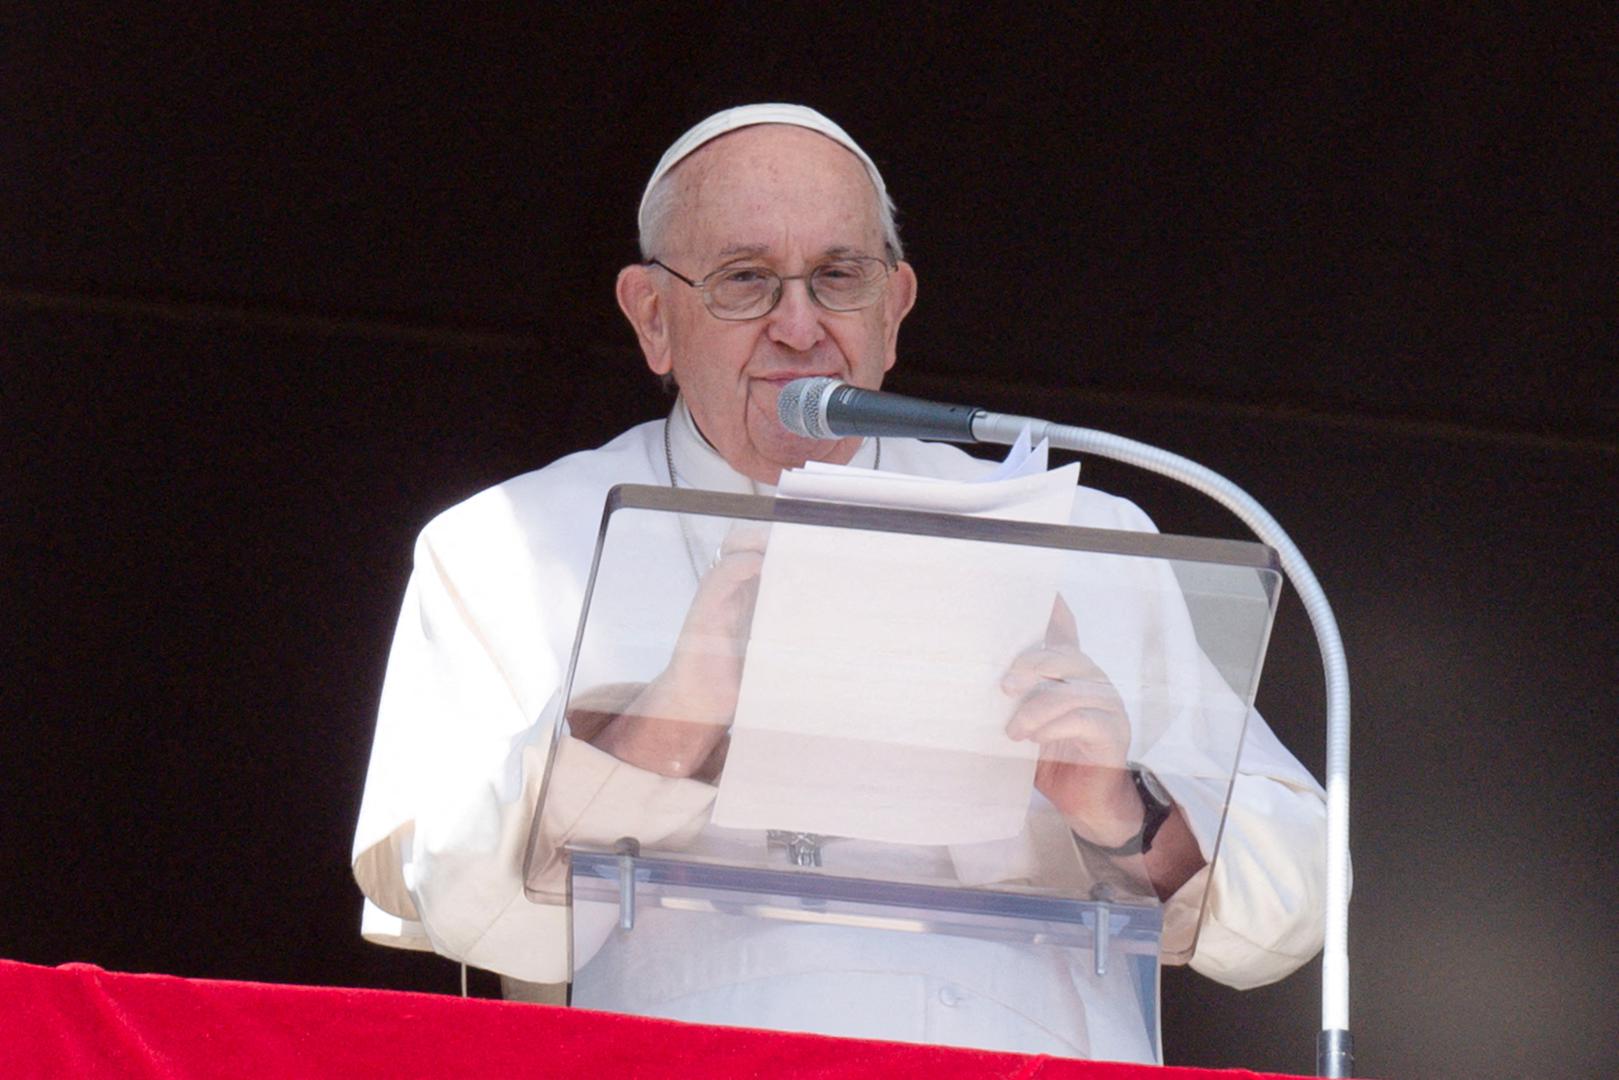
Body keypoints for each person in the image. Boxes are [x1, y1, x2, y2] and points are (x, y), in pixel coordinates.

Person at [352, 104, 1328, 1062]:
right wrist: (666, 723)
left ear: (892, 309)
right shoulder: (508, 546)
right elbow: (461, 906)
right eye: (744, 281)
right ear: (653, 318)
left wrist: (1120, 806)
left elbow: (1295, 904)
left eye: (836, 277)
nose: (797, 327)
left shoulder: (1087, 540)